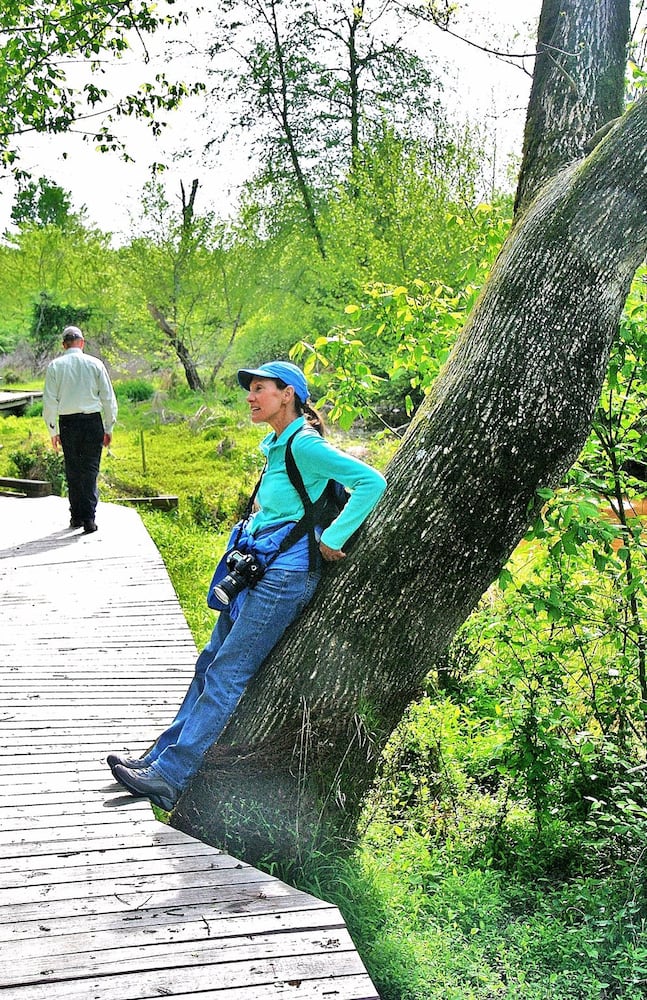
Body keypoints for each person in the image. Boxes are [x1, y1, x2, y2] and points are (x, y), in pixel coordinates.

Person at [108, 360, 387, 811]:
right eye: (250, 390)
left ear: (288, 394)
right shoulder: (277, 445)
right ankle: (156, 759)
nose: (251, 397)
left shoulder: (306, 445)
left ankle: (171, 776)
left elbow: (371, 482)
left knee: (227, 674)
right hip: (257, 568)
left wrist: (333, 537)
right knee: (209, 664)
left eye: (259, 389)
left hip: (283, 578)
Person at [43, 325, 118, 533]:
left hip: (68, 423)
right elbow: (108, 398)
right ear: (82, 342)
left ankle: (76, 516)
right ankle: (89, 518)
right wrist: (109, 426)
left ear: (63, 344)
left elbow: (49, 401)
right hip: (92, 421)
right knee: (90, 470)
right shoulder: (95, 364)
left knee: (73, 470)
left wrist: (53, 431)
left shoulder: (55, 366)